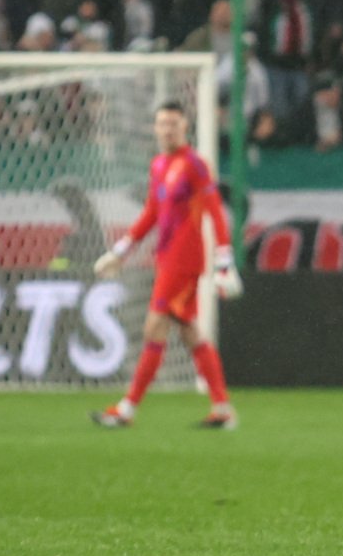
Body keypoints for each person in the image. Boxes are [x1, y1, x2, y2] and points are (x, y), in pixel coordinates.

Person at [91, 103, 243, 429]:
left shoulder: (195, 165)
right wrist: (120, 251)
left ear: (184, 127)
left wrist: (224, 260)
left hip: (184, 261)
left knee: (154, 327)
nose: (167, 129)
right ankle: (223, 409)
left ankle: (127, 409)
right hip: (167, 259)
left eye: (173, 123)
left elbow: (215, 211)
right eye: (162, 123)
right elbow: (151, 214)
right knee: (191, 333)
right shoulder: (159, 164)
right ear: (155, 128)